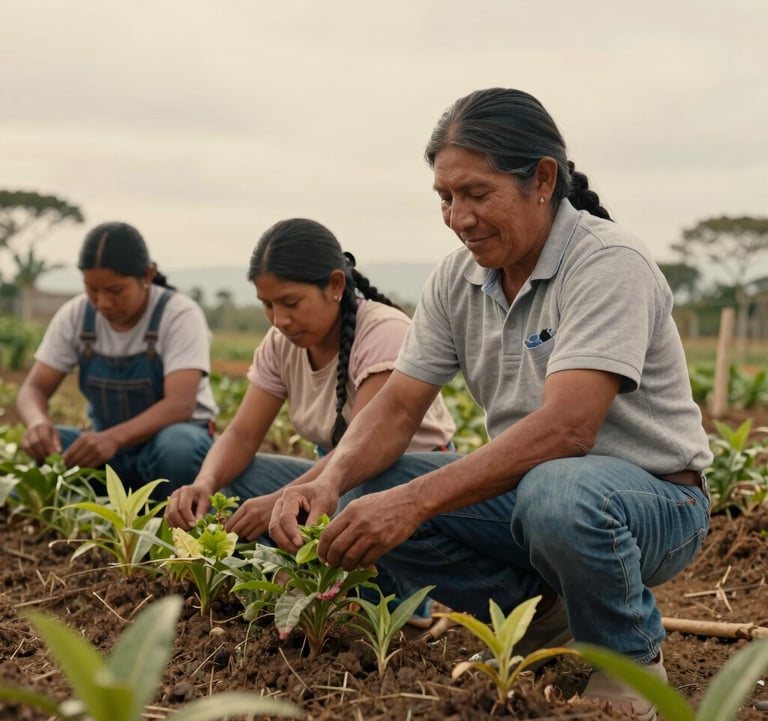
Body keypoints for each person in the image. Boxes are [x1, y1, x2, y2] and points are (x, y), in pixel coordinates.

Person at [266, 89, 712, 720]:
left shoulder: (608, 263)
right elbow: (395, 410)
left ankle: (630, 662)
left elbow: (567, 429)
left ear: (542, 179)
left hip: (655, 502)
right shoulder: (458, 279)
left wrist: (413, 503)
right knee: (374, 483)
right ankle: (540, 620)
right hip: (536, 495)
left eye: (477, 194)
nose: (459, 217)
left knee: (555, 491)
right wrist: (329, 479)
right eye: (446, 198)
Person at [165, 218, 455, 623]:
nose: (279, 319)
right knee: (234, 481)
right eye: (268, 305)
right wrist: (203, 484)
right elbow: (243, 434)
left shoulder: (383, 331)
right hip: (331, 482)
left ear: (336, 285)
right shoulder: (280, 344)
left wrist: (285, 496)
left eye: (290, 302)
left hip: (398, 481)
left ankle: (402, 612)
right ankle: (301, 586)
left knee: (367, 590)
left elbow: (362, 448)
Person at [17, 221, 218, 496]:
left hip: (169, 445)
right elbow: (34, 388)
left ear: (147, 275)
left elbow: (179, 406)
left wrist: (114, 438)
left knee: (177, 448)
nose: (103, 303)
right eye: (92, 289)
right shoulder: (76, 315)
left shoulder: (178, 314)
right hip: (106, 449)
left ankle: (170, 518)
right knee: (53, 447)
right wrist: (38, 423)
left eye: (115, 291)